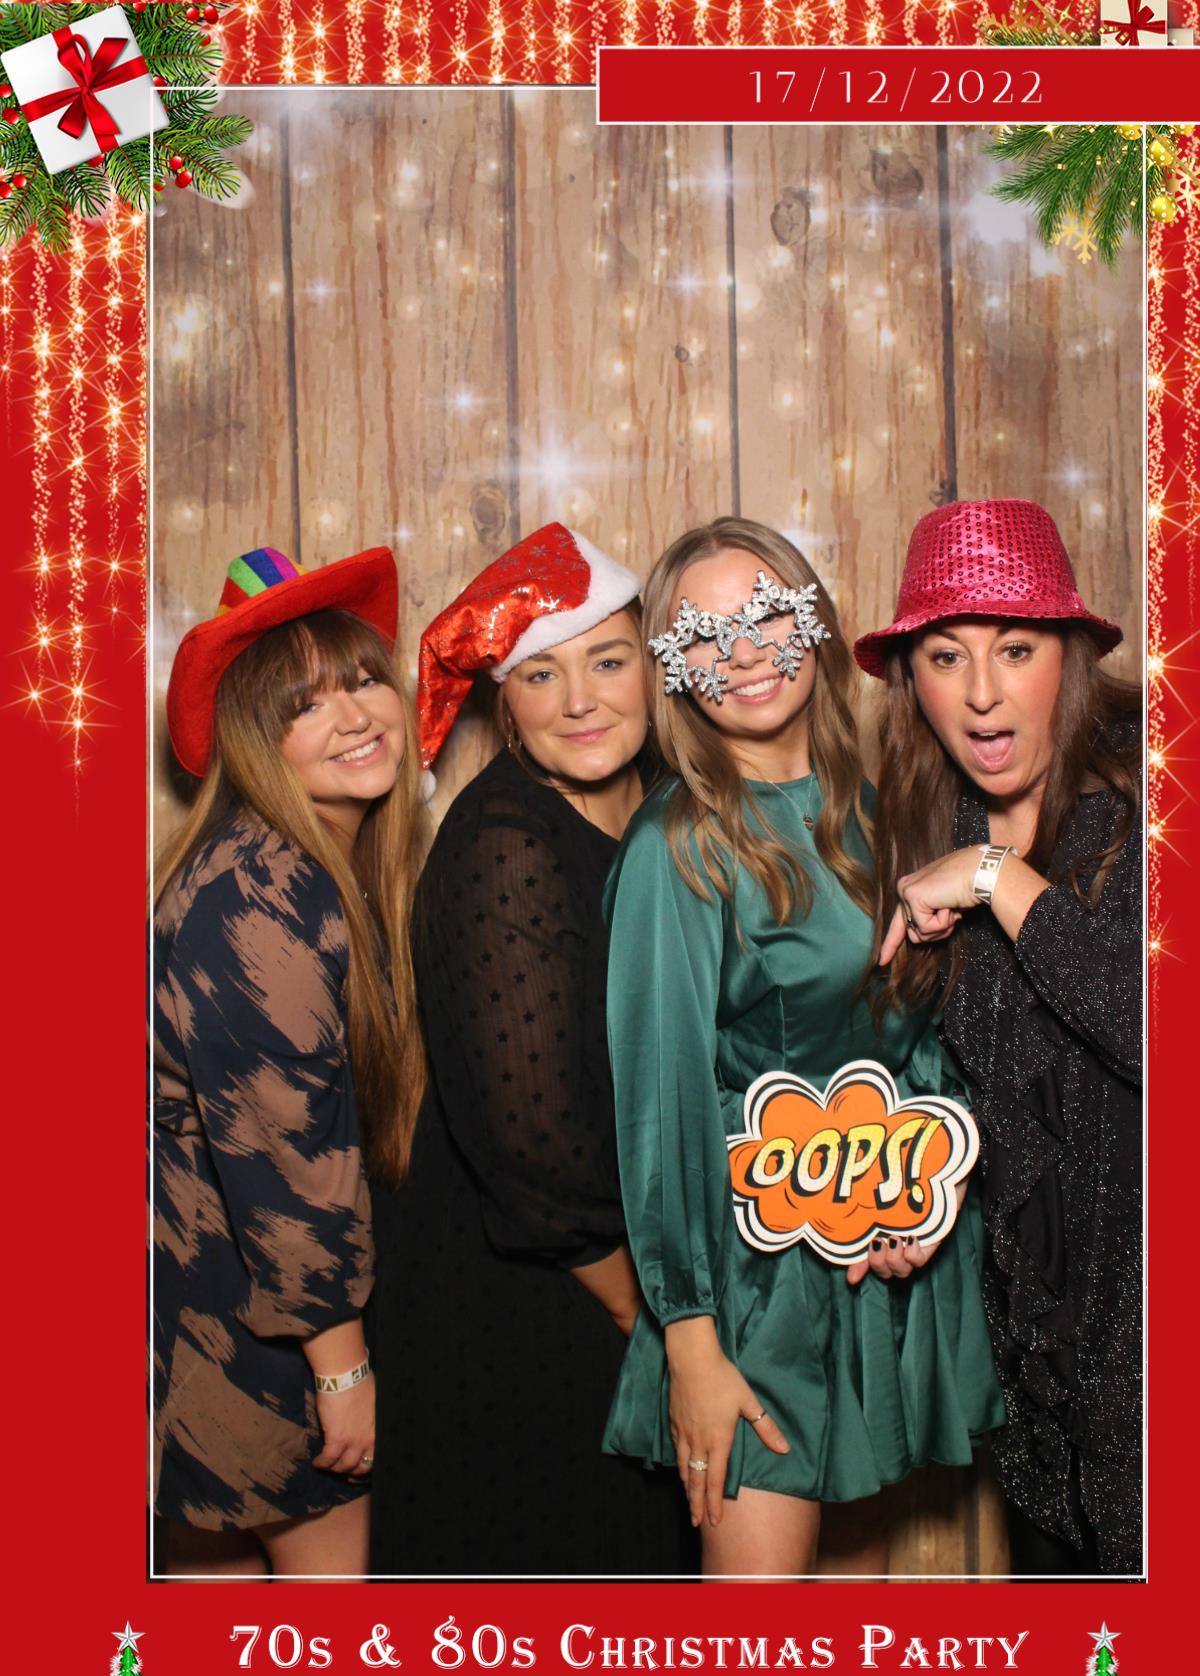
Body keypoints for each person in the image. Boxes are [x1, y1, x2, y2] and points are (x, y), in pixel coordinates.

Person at [601, 516, 1003, 1579]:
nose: (741, 653)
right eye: (703, 634)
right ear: (673, 667)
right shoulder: (678, 844)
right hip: (751, 1284)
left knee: (849, 1627)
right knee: (759, 1652)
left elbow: (919, 1039)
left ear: (813, 620)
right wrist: (691, 1335)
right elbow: (658, 1104)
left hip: (875, 1256)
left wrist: (920, 1192)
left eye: (765, 614)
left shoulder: (885, 809)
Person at [369, 522, 692, 1576]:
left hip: (641, 1279)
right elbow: (537, 1150)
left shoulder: (671, 804)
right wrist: (660, 1330)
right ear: (504, 704)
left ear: (654, 670)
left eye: (609, 662)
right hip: (530, 1311)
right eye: (542, 675)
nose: (581, 701)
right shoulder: (503, 840)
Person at [857, 497, 1142, 1577]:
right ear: (912, 682)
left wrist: (998, 882)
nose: (981, 692)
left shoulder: (1150, 806)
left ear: (1069, 658)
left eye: (1015, 650)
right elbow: (1001, 1090)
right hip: (1038, 1380)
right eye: (947, 656)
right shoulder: (937, 822)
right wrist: (929, 1188)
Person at [154, 544, 425, 1578]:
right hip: (237, 1320)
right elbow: (285, 1157)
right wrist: (341, 1367)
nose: (355, 716)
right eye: (304, 705)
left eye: (362, 680)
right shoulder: (259, 893)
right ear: (254, 741)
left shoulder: (301, 866)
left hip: (216, 1306)